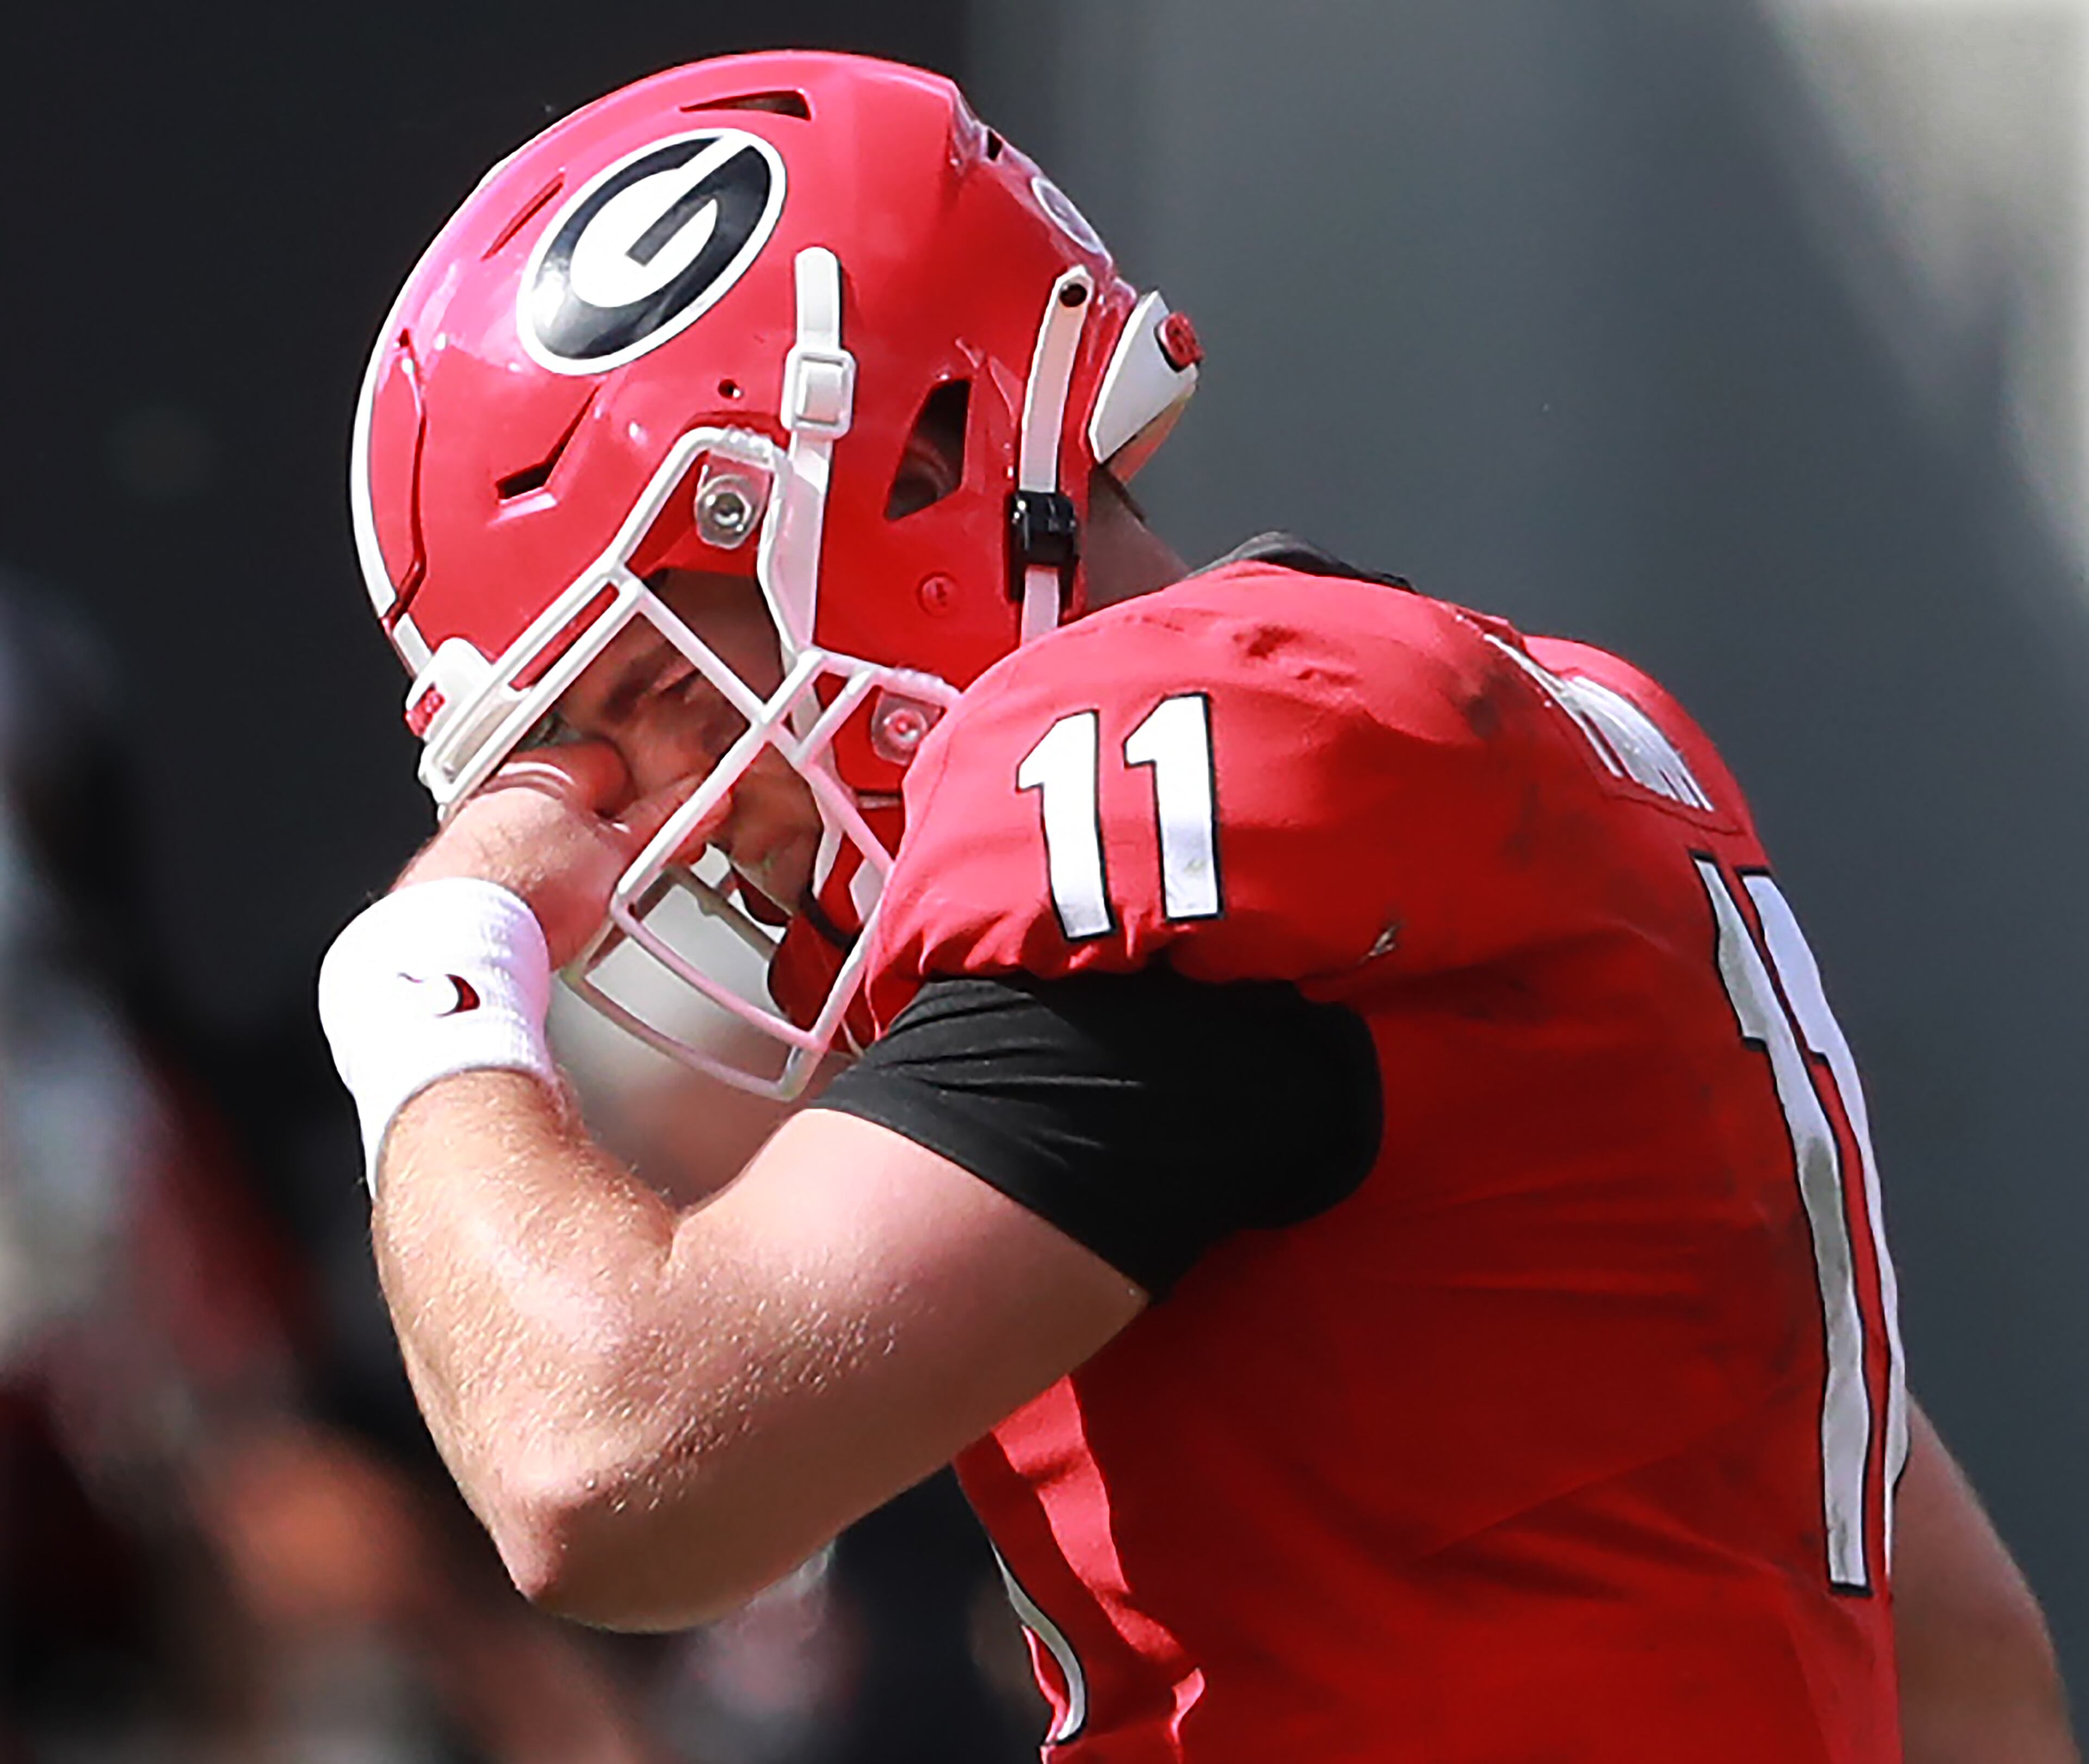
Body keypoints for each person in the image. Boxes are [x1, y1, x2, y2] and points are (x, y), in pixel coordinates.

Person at [319, 50, 2075, 1762]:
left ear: (914, 458)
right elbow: (1964, 1658)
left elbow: (613, 1460)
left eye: (667, 683)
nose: (663, 812)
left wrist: (426, 976)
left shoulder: (1197, 766)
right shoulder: (1482, 747)